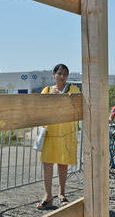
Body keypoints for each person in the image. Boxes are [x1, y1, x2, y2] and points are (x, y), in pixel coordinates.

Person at [36, 64, 80, 210]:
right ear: (54, 75)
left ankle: (62, 194)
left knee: (63, 164)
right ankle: (47, 196)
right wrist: (51, 98)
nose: (62, 76)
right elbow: (40, 108)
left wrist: (63, 99)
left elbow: (77, 106)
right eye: (60, 73)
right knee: (47, 164)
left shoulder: (73, 89)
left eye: (65, 74)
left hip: (67, 132)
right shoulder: (46, 90)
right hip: (50, 132)